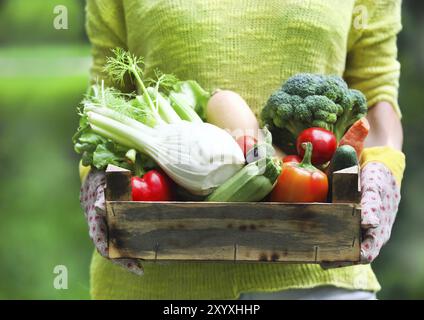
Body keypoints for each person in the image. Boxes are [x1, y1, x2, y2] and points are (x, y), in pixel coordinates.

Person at [79, 0, 405, 300]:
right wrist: (98, 179)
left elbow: (376, 90)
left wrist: (384, 169)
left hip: (320, 280)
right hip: (152, 282)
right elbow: (107, 97)